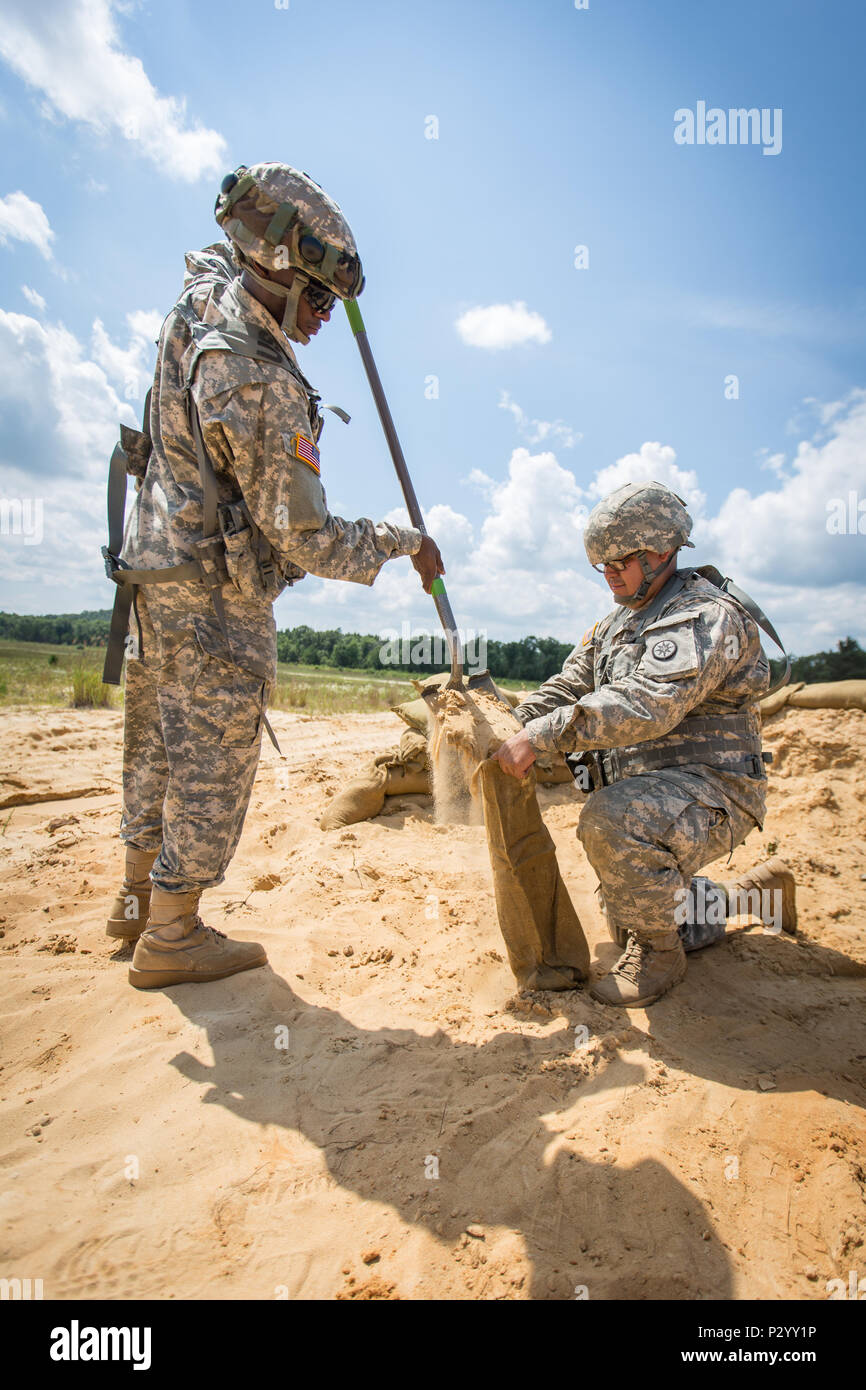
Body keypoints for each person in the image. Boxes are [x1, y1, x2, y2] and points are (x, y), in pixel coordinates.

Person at [104, 162, 443, 989]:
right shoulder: (260, 379)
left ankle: (131, 900)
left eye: (333, 302)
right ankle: (173, 934)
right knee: (213, 759)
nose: (324, 317)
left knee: (154, 739)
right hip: (213, 595)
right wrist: (404, 541)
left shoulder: (203, 290)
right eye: (318, 298)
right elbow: (308, 538)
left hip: (152, 567)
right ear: (279, 268)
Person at [493, 481, 796, 1008]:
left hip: (715, 791)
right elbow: (571, 685)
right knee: (629, 911)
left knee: (613, 822)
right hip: (658, 793)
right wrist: (512, 723)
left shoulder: (703, 615)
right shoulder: (615, 624)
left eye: (620, 561)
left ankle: (660, 956)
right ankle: (758, 893)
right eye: (601, 565)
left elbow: (645, 703)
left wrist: (541, 736)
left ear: (661, 552)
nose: (609, 574)